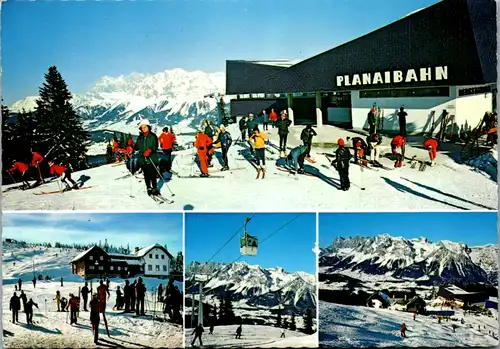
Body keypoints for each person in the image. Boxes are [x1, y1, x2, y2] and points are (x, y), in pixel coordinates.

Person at [133, 119, 161, 196]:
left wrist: (150, 150)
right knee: (146, 175)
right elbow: (137, 147)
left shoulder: (153, 136)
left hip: (152, 158)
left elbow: (155, 146)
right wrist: (132, 145)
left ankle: (155, 188)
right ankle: (148, 188)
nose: (144, 128)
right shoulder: (140, 137)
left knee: (152, 174)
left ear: (148, 127)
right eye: (142, 127)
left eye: (145, 127)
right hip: (143, 159)